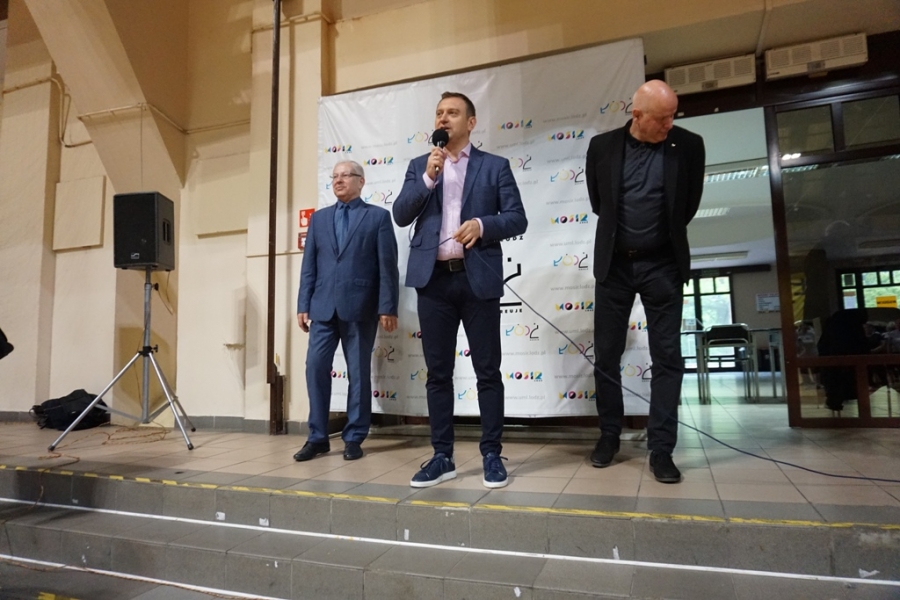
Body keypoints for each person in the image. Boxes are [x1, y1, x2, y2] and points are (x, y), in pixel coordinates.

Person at [393, 92, 527, 489]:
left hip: (476, 278)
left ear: (470, 122)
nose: (443, 118)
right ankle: (442, 456)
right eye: (439, 113)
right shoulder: (421, 166)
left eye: (452, 112)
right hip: (433, 281)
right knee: (438, 373)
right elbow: (401, 215)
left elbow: (517, 218)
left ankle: (491, 454)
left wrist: (483, 225)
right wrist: (428, 178)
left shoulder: (494, 166)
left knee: (488, 371)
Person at [585, 79, 705, 484]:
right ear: (637, 115)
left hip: (663, 266)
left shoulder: (689, 145)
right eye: (662, 118)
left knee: (668, 357)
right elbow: (599, 203)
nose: (670, 125)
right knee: (606, 356)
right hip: (615, 266)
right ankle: (609, 436)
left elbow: (686, 206)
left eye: (673, 116)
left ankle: (662, 449)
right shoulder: (602, 147)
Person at [293, 160, 399, 462]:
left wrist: (387, 306)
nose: (338, 180)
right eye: (335, 176)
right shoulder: (319, 219)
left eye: (345, 176)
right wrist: (303, 304)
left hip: (361, 307)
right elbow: (309, 265)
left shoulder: (377, 217)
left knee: (358, 374)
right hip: (322, 308)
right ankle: (317, 437)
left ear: (361, 181)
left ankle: (354, 437)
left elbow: (387, 266)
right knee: (315, 368)